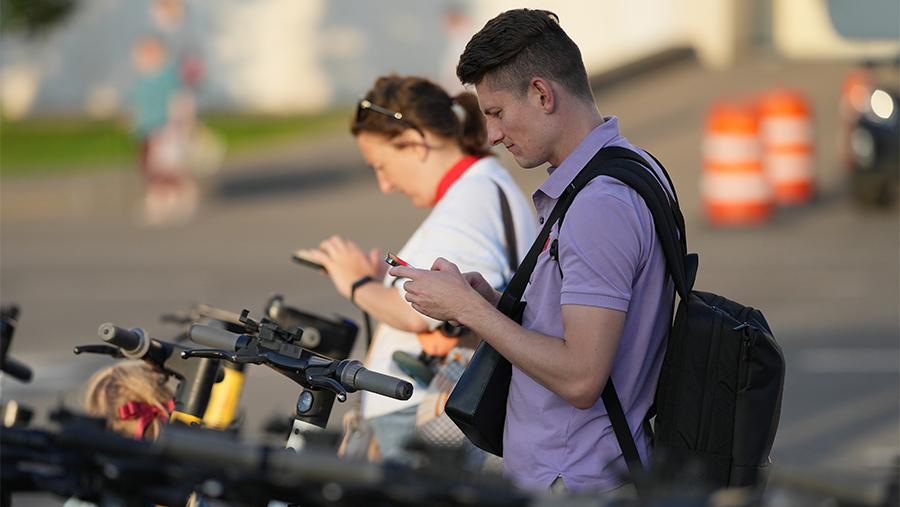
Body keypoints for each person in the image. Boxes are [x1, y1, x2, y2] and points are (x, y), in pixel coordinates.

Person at [390, 8, 675, 495]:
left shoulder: (598, 204)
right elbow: (580, 324)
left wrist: (470, 311)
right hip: (584, 469)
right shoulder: (634, 167)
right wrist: (487, 302)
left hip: (572, 479)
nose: (492, 135)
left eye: (496, 113)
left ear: (542, 94)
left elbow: (581, 376)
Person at [306, 74, 535, 465]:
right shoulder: (481, 186)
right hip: (424, 404)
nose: (385, 184)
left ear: (414, 143)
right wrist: (381, 280)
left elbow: (420, 312)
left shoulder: (470, 199)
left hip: (421, 409)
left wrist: (356, 283)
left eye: (382, 166)